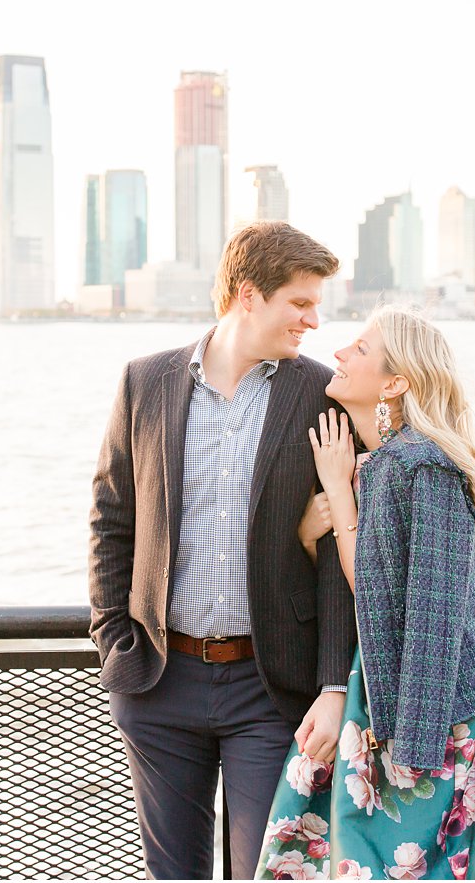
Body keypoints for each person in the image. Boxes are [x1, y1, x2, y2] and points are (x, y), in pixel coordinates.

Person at [256, 306, 475, 881]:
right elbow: (375, 588)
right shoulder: (386, 462)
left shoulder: (426, 466)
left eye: (358, 348)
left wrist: (414, 746)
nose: (340, 353)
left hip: (428, 712)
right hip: (381, 689)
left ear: (395, 381)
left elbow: (435, 611)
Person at [88, 221, 358, 880]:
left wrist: (331, 683)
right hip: (160, 682)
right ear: (248, 295)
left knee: (264, 872)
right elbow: (111, 520)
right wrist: (114, 639)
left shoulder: (322, 396)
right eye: (300, 302)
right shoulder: (143, 383)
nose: (313, 320)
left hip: (270, 689)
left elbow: (335, 561)